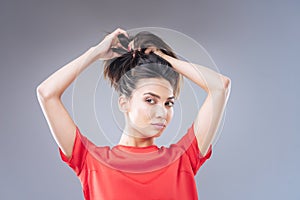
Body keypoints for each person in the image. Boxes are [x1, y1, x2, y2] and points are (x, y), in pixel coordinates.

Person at [36, 28, 231, 200]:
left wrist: (166, 60)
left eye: (168, 103)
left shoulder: (183, 159)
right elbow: (47, 93)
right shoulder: (92, 162)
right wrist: (95, 52)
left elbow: (219, 86)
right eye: (150, 100)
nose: (162, 112)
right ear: (124, 102)